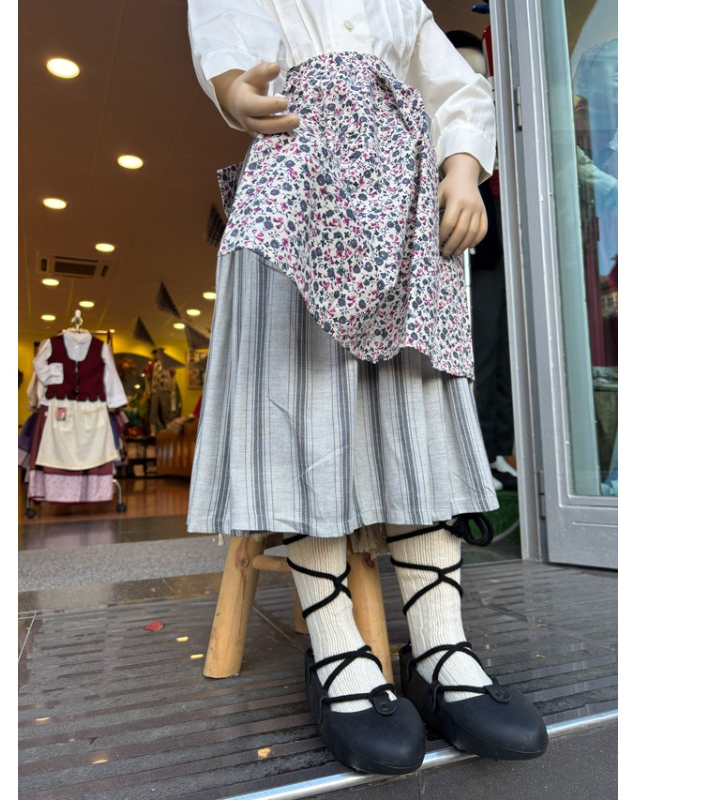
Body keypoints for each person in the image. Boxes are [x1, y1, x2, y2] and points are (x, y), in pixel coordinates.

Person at [186, 0, 548, 774]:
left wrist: (462, 167)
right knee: (303, 398)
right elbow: (228, 36)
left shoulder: (401, 6)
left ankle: (439, 641)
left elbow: (454, 87)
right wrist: (233, 92)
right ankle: (336, 646)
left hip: (403, 195)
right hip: (299, 180)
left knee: (419, 401)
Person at [446, 30, 518, 492]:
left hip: (497, 247)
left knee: (502, 353)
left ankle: (497, 449)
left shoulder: (494, 116)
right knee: (478, 353)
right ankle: (478, 455)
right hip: (460, 247)